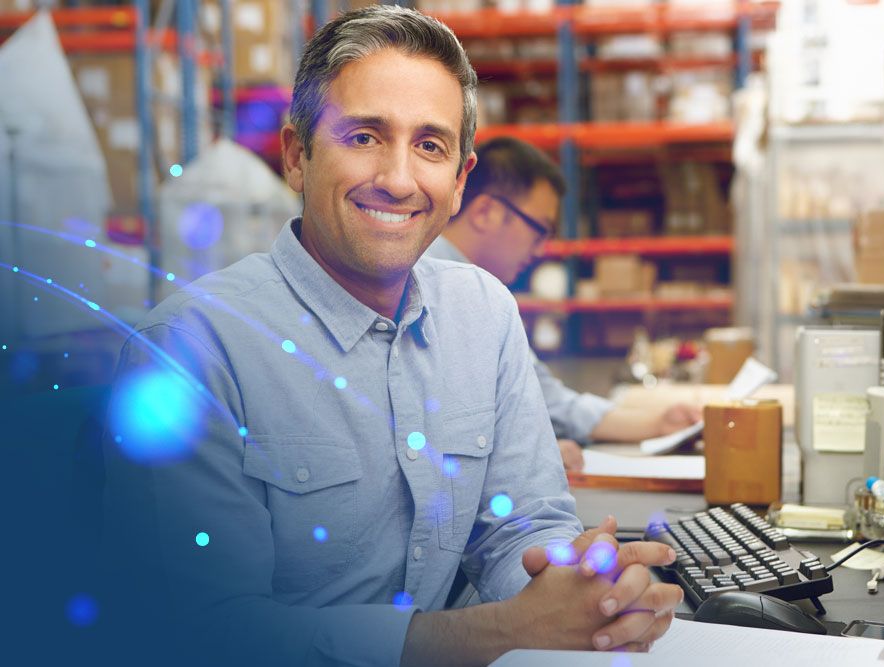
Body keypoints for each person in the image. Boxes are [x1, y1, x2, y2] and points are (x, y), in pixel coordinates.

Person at [100, 7, 681, 666]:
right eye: (364, 136)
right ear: (297, 156)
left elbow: (522, 523)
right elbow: (211, 635)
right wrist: (505, 629)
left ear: (460, 182)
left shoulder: (484, 312)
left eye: (430, 146)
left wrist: (581, 593)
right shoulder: (188, 351)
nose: (398, 179)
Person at [424, 137, 703, 471]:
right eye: (539, 229)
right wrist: (523, 455)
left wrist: (657, 424)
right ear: (485, 212)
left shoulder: (478, 293)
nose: (540, 249)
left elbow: (543, 398)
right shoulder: (438, 286)